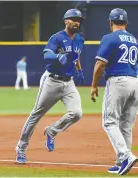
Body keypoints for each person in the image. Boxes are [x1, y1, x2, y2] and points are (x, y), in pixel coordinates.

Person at [15, 9, 85, 164]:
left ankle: (52, 131)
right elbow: (47, 54)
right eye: (73, 19)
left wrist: (79, 70)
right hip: (52, 81)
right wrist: (56, 56)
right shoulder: (57, 38)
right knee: (36, 114)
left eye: (79, 20)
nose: (77, 22)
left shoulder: (80, 39)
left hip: (69, 82)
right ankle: (21, 148)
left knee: (77, 113)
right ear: (66, 21)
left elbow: (76, 56)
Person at [90, 8, 138, 175]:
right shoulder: (134, 39)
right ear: (126, 23)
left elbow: (100, 64)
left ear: (110, 22)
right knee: (125, 125)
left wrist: (94, 85)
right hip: (135, 82)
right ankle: (121, 162)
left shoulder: (109, 38)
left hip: (118, 81)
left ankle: (125, 155)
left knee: (109, 121)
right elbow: (136, 62)